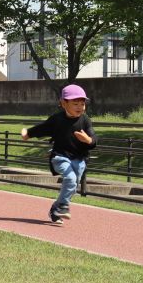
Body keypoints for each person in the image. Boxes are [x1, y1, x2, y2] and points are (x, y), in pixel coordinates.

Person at [21, 84, 98, 224]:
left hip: (79, 158)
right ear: (63, 103)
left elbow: (94, 138)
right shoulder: (57, 119)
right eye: (75, 104)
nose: (80, 107)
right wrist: (28, 134)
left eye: (82, 104)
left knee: (73, 185)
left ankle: (56, 209)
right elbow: (42, 128)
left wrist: (88, 140)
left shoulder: (85, 120)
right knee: (70, 178)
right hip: (60, 156)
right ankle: (63, 206)